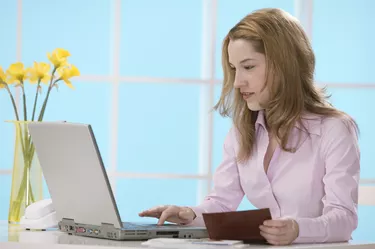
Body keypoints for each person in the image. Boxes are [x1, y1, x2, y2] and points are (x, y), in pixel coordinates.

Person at [139, 8, 360, 245]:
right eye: (234, 69)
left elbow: (344, 218)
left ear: (284, 64)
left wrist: (297, 229)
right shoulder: (241, 133)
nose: (237, 82)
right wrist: (188, 214)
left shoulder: (334, 129)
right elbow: (222, 202)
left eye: (248, 67)